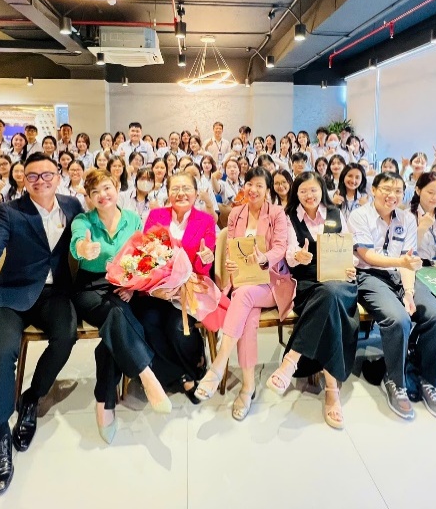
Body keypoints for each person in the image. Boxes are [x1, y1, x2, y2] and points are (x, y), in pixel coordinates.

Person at [0, 152, 84, 496]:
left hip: (54, 294)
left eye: (47, 175)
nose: (41, 181)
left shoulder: (72, 205)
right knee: (0, 354)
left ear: (58, 176)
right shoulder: (9, 211)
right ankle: (0, 435)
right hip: (12, 293)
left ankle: (31, 397)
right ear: (23, 179)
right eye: (33, 176)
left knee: (66, 336)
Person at [70, 170, 173, 443]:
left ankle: (104, 402)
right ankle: (147, 376)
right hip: (91, 287)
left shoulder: (133, 219)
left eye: (106, 188)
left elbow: (142, 257)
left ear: (116, 187)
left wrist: (132, 285)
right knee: (116, 315)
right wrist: (83, 249)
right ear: (89, 198)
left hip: (124, 285)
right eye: (95, 192)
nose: (102, 195)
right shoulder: (84, 221)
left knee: (113, 330)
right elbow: (77, 242)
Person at [351, 172, 436, 421]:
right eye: (387, 189)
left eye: (398, 191)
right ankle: (396, 381)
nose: (392, 195)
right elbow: (367, 256)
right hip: (369, 275)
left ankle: (429, 381)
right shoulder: (359, 215)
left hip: (403, 275)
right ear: (374, 190)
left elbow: (409, 260)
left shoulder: (406, 218)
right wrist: (401, 263)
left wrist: (408, 293)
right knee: (398, 320)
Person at [195, 168, 294, 420]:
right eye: (249, 184)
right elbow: (231, 249)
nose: (253, 189)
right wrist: (231, 264)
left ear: (267, 190)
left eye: (259, 185)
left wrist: (264, 259)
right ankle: (248, 387)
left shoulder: (277, 213)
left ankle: (219, 364)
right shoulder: (236, 213)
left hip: (271, 282)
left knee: (245, 296)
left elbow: (280, 248)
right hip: (243, 283)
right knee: (248, 317)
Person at [265, 172, 359, 429]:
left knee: (331, 293)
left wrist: (351, 266)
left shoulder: (335, 213)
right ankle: (332, 389)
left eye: (314, 190)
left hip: (339, 279)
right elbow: (289, 253)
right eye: (303, 191)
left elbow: (349, 249)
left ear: (322, 190)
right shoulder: (289, 217)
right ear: (296, 193)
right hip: (307, 281)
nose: (309, 195)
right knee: (328, 299)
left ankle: (291, 361)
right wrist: (298, 256)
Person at [131, 173, 216, 402]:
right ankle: (181, 375)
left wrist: (206, 258)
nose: (181, 193)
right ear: (167, 193)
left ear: (196, 193)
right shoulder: (156, 215)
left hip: (186, 290)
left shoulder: (205, 220)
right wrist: (157, 284)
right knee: (147, 323)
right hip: (156, 289)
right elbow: (147, 254)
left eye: (186, 188)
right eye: (175, 189)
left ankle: (195, 363)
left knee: (178, 328)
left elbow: (203, 268)